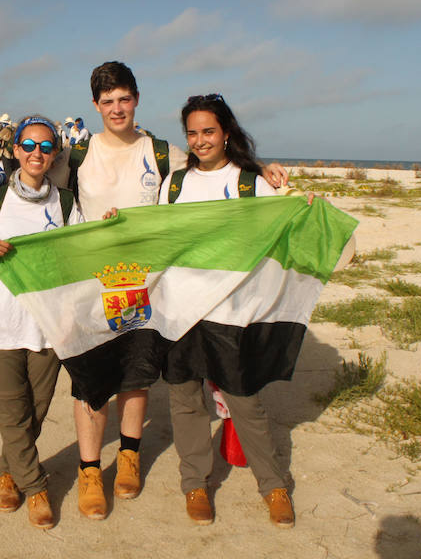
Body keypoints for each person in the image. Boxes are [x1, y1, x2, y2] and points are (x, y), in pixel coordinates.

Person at [0, 61, 289, 520]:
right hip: (89, 286)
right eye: (107, 101)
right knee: (90, 378)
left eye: (124, 99)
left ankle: (130, 457)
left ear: (136, 99)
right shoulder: (78, 156)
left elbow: (212, 164)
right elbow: (32, 162)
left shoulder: (162, 153)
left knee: (136, 375)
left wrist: (263, 169)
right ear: (95, 106)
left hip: (145, 285)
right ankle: (87, 470)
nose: (116, 108)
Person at [157, 93, 295, 528]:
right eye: (193, 133)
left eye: (208, 131)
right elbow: (159, 237)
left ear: (227, 133)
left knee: (244, 400)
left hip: (231, 312)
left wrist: (290, 195)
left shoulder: (250, 182)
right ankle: (194, 482)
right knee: (184, 399)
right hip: (180, 308)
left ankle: (272, 484)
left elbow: (281, 232)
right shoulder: (174, 184)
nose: (200, 141)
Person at [0, 115, 83, 530]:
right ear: (15, 150)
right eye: (29, 146)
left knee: (32, 412)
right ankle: (35, 489)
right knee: (12, 414)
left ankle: (8, 471)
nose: (37, 153)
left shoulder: (66, 202)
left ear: (55, 155)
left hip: (47, 326)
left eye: (46, 147)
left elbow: (80, 257)